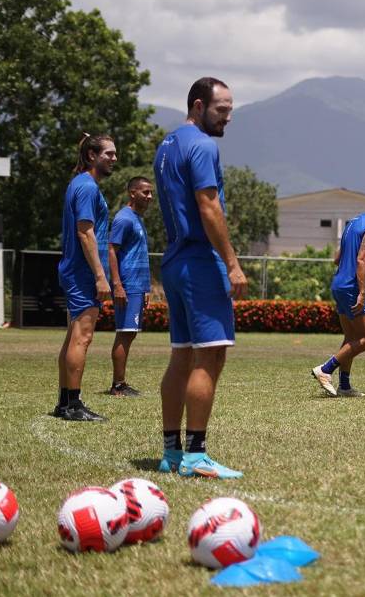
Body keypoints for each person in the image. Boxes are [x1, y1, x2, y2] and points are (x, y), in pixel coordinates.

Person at [154, 77, 248, 479]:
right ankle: (196, 455)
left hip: (173, 261)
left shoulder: (167, 145)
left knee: (182, 354)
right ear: (198, 105)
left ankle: (171, 452)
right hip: (199, 261)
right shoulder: (204, 146)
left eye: (230, 109)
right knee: (210, 354)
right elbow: (208, 207)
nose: (228, 117)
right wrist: (231, 263)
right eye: (221, 109)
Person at [311, 190, 365, 397]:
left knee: (351, 337)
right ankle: (325, 370)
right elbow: (361, 259)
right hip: (352, 287)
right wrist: (362, 291)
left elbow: (338, 258)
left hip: (339, 283)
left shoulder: (354, 221)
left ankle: (344, 386)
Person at [53, 134, 117, 422]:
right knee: (83, 337)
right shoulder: (87, 187)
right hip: (82, 272)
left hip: (76, 270)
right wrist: (101, 276)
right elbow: (85, 232)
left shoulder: (79, 184)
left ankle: (65, 402)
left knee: (72, 337)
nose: (114, 159)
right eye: (109, 153)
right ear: (92, 155)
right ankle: (74, 405)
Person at [106, 176, 154, 396]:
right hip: (127, 285)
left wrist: (146, 288)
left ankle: (121, 383)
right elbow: (112, 251)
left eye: (151, 192)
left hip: (137, 286)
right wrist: (117, 285)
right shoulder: (124, 219)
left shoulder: (137, 219)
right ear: (132, 193)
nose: (150, 197)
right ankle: (118, 385)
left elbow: (138, 255)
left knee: (130, 333)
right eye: (145, 192)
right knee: (125, 333)